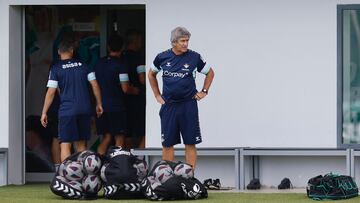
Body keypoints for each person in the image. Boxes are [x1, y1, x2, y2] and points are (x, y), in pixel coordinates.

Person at [148, 27, 215, 169]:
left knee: (190, 142)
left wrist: (204, 91)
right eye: (182, 41)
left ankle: (189, 177)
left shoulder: (194, 57)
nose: (185, 44)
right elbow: (151, 74)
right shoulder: (162, 57)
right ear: (174, 42)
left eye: (187, 41)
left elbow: (210, 73)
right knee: (167, 143)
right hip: (169, 105)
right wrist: (157, 95)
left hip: (188, 105)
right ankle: (166, 177)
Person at [40, 37, 103, 162]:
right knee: (81, 145)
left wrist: (44, 112)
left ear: (59, 52)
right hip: (84, 109)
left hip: (67, 111)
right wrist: (99, 103)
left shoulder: (56, 68)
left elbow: (51, 92)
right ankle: (83, 175)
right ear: (72, 51)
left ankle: (67, 177)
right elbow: (95, 84)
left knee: (65, 144)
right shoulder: (85, 65)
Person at [95, 35, 140, 155]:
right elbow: (125, 88)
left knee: (107, 137)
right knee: (119, 138)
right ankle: (118, 167)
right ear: (123, 48)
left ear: (108, 47)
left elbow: (94, 84)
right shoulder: (121, 64)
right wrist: (135, 90)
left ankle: (97, 165)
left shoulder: (99, 63)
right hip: (117, 106)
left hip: (102, 105)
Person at [122, 29, 146, 148]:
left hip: (123, 99)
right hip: (137, 98)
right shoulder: (138, 58)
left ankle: (128, 159)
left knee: (127, 132)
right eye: (140, 40)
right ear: (135, 41)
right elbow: (142, 79)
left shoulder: (122, 57)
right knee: (143, 131)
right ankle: (139, 160)